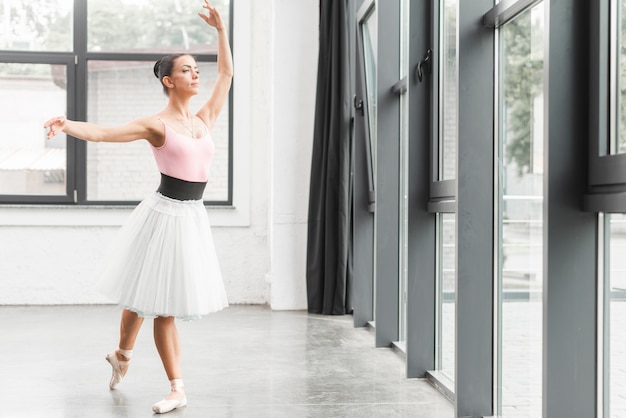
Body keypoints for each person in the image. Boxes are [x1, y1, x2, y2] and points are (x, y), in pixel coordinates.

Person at [44, 1, 232, 414]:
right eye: (186, 69)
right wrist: (67, 124)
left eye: (195, 68)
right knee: (159, 304)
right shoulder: (155, 124)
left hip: (191, 218)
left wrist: (220, 29)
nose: (195, 73)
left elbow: (227, 74)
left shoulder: (204, 120)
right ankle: (177, 388)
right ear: (168, 79)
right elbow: (104, 133)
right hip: (163, 215)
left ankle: (122, 355)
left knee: (143, 295)